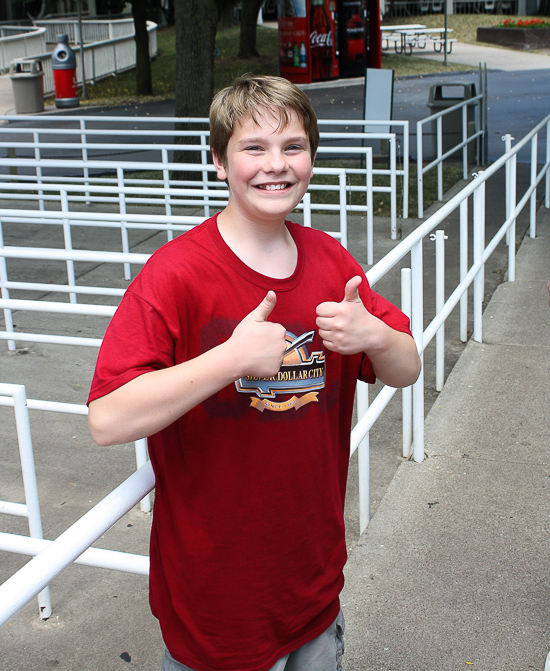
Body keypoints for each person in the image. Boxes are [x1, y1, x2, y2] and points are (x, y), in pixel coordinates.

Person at [87, 74, 421, 671]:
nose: (276, 165)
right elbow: (107, 419)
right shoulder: (175, 274)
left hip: (314, 590)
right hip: (216, 606)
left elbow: (406, 367)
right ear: (218, 161)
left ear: (312, 157)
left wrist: (375, 335)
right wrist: (231, 359)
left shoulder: (331, 259)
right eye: (253, 148)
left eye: (292, 147)